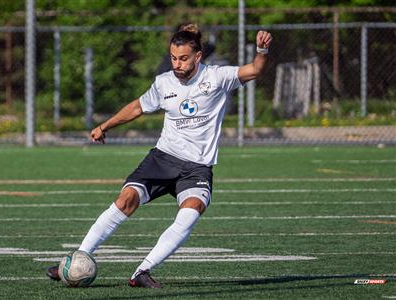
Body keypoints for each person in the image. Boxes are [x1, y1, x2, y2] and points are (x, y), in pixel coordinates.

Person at [47, 24, 273, 288]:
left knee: (190, 213)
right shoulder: (163, 82)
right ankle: (78, 258)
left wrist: (262, 49)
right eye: (173, 58)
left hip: (197, 168)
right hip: (162, 159)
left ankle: (142, 271)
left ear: (198, 57)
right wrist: (105, 125)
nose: (177, 64)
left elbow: (255, 69)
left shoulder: (218, 77)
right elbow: (137, 107)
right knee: (126, 200)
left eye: (183, 58)